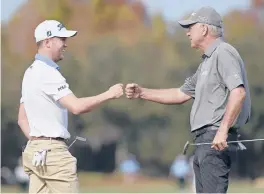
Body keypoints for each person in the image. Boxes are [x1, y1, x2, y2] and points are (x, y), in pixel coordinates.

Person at [125, 6, 251, 193]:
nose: (187, 33)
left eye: (190, 27)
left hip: (215, 139)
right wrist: (142, 93)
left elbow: (238, 92)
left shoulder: (224, 52)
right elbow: (180, 94)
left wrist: (222, 131)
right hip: (203, 141)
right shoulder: (206, 62)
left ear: (204, 29)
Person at [18, 20, 123, 193]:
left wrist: (39, 141)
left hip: (35, 153)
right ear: (48, 42)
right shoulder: (48, 72)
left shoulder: (29, 72)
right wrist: (109, 94)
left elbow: (22, 119)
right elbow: (76, 106)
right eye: (62, 39)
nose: (66, 44)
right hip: (53, 156)